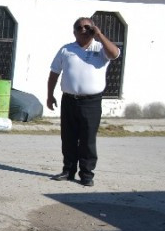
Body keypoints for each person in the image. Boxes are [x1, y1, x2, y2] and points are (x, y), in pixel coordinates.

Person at [46, 16, 121, 187]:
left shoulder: (100, 48)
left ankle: (86, 174)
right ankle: (68, 170)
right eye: (79, 27)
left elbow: (115, 54)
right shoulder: (66, 50)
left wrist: (99, 35)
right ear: (74, 32)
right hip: (69, 100)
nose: (83, 30)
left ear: (93, 29)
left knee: (87, 139)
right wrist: (50, 95)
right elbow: (54, 73)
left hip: (91, 102)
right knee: (68, 137)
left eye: (87, 27)